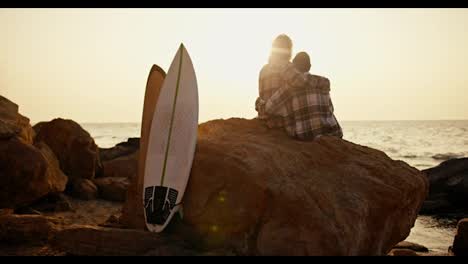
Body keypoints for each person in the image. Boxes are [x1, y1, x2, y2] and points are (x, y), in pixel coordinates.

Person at [257, 51, 343, 140]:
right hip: (333, 131)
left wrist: (259, 103)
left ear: (293, 68)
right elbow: (331, 109)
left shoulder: (289, 88)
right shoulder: (323, 82)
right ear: (309, 67)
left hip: (308, 135)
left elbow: (269, 108)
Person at [256, 34, 310, 128]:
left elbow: (262, 95)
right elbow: (303, 83)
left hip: (265, 116)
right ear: (288, 50)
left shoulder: (263, 70)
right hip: (284, 120)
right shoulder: (288, 67)